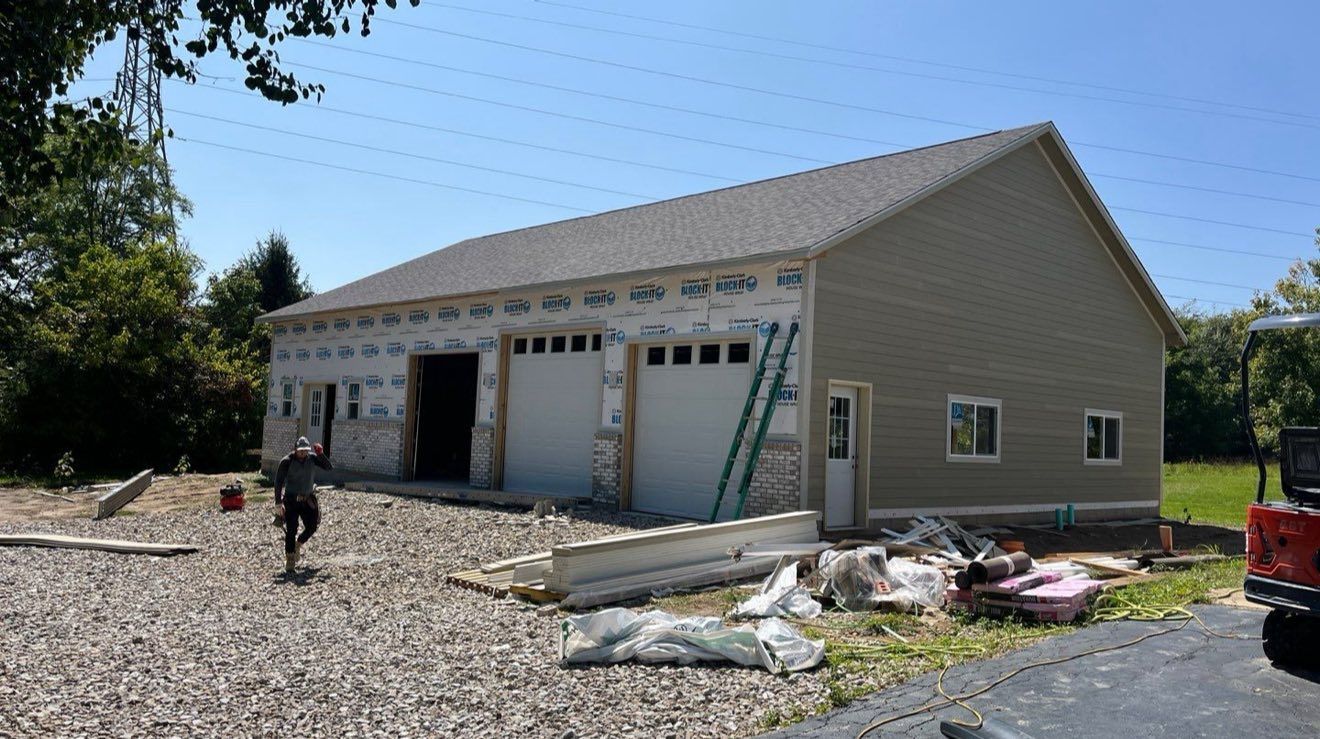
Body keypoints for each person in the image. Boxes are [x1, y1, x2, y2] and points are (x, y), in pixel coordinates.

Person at [273, 436, 332, 573]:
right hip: (291, 500)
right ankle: (290, 559)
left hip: (307, 499)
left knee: (312, 526)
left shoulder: (312, 458)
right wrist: (278, 502)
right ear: (295, 450)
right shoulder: (287, 461)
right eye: (301, 451)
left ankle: (298, 544)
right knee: (291, 529)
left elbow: (329, 467)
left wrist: (321, 454)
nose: (303, 453)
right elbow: (278, 482)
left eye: (305, 450)